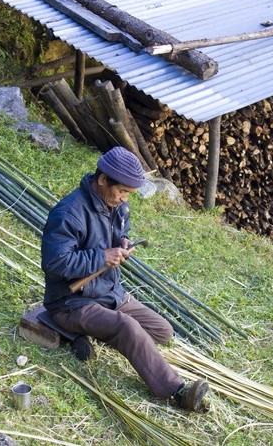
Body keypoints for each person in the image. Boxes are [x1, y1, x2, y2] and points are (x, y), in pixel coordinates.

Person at [41, 146, 209, 411]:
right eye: (121, 191)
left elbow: (121, 229)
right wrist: (102, 257)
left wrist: (123, 242)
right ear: (102, 179)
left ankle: (86, 336)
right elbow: (55, 263)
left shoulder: (116, 205)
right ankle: (176, 391)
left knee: (162, 332)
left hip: (110, 294)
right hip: (72, 302)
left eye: (128, 194)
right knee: (127, 327)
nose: (123, 199)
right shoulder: (69, 213)